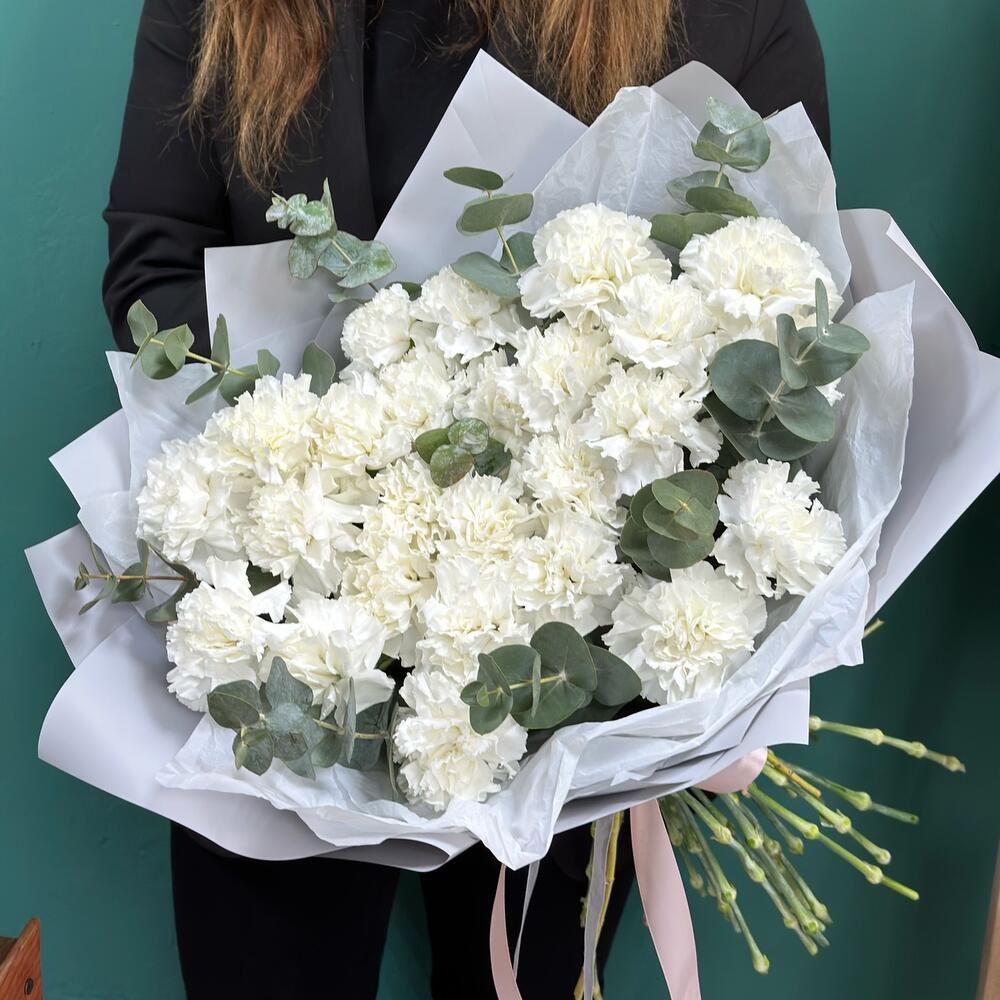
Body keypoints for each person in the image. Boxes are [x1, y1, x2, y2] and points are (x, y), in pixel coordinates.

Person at [102, 2, 830, 997]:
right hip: (286, 639)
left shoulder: (724, 13)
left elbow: (777, 307)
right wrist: (349, 434)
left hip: (565, 671)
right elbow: (157, 261)